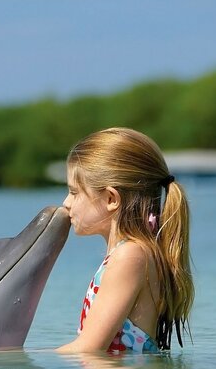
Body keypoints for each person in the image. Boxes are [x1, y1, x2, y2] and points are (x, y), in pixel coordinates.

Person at [56, 127, 194, 354]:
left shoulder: (130, 256)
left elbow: (88, 349)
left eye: (74, 192)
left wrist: (17, 363)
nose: (66, 203)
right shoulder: (131, 253)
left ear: (111, 198)